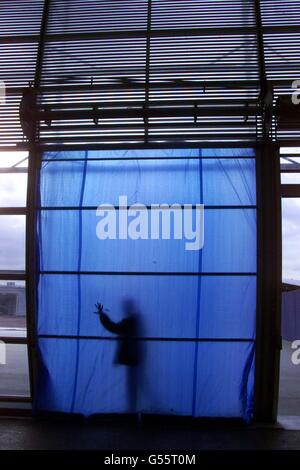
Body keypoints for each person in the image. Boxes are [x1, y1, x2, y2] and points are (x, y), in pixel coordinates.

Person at [95, 298, 142, 415]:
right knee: (134, 384)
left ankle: (132, 411)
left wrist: (102, 315)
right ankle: (133, 410)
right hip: (134, 358)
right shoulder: (134, 321)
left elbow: (113, 327)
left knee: (132, 385)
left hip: (130, 358)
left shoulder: (129, 323)